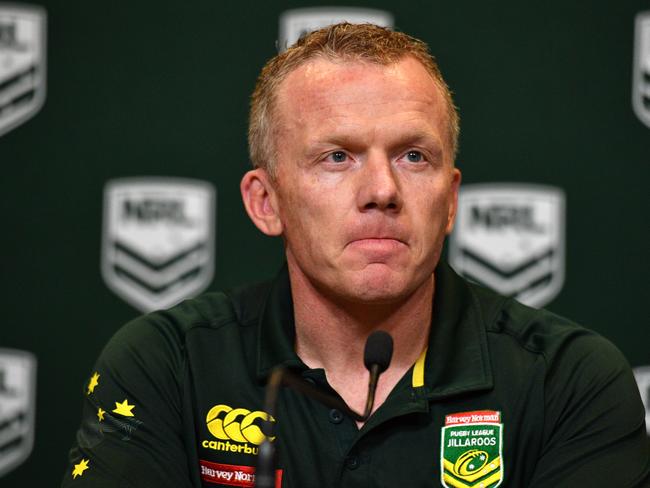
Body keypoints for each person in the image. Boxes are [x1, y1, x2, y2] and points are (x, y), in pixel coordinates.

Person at [61, 23, 649, 488]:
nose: (382, 191)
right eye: (337, 157)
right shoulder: (169, 365)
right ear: (266, 202)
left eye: (413, 156)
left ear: (450, 199)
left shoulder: (568, 380)